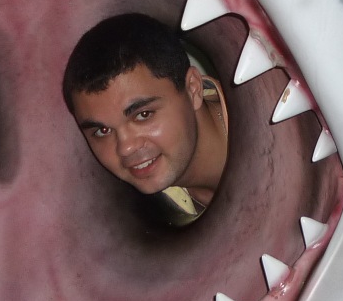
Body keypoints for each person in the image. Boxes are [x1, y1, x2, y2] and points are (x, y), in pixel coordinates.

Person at [62, 13, 228, 217]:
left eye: (143, 115)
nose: (126, 148)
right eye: (103, 131)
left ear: (193, 89)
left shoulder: (267, 110)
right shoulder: (142, 220)